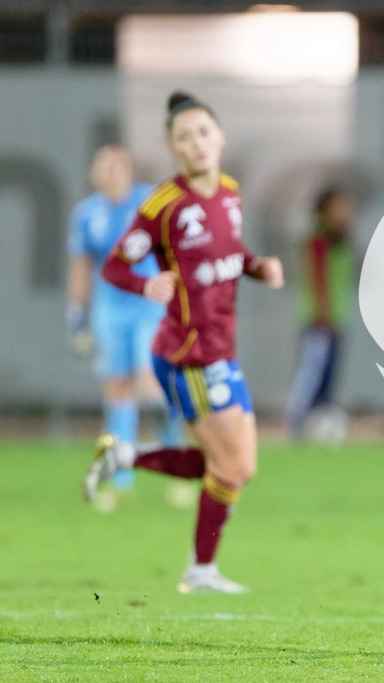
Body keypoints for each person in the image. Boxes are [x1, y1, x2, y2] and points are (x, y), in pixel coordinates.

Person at [83, 91, 284, 594]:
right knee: (232, 465)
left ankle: (125, 457)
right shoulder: (163, 206)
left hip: (221, 349)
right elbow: (114, 265)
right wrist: (145, 283)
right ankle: (200, 570)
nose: (196, 143)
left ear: (219, 137)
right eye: (184, 137)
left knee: (239, 465)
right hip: (188, 354)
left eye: (203, 132)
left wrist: (259, 266)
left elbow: (231, 253)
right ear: (173, 148)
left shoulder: (231, 193)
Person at [66, 144, 182, 499]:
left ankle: (176, 465)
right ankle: (119, 480)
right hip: (109, 310)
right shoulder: (87, 214)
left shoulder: (149, 203)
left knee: (153, 386)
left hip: (149, 306)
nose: (111, 172)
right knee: (117, 390)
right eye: (104, 166)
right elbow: (82, 265)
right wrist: (76, 314)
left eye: (117, 166)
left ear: (129, 170)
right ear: (94, 173)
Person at [283, 186, 357, 440]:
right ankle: (296, 425)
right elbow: (317, 280)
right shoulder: (316, 243)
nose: (343, 214)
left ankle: (320, 427)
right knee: (311, 375)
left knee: (328, 378)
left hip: (337, 319)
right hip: (319, 321)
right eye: (337, 208)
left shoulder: (343, 242)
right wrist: (323, 314)